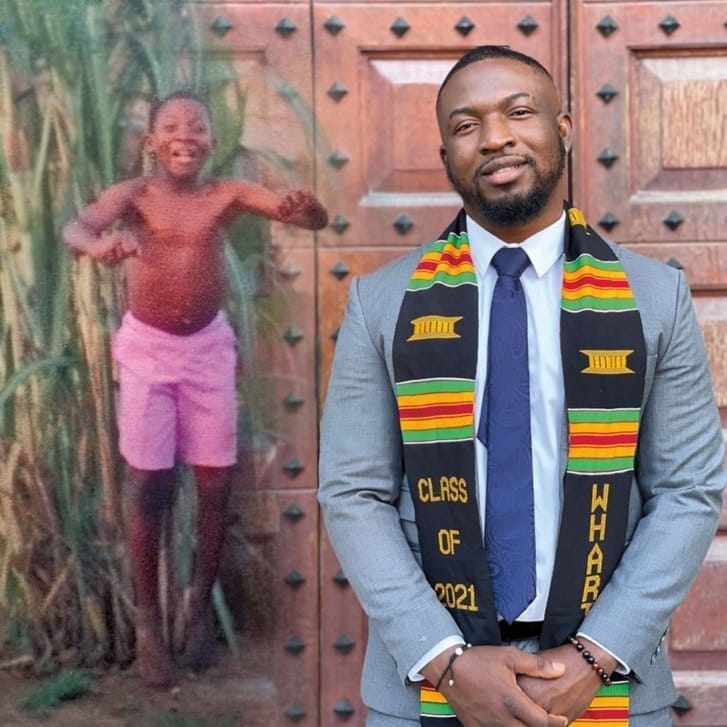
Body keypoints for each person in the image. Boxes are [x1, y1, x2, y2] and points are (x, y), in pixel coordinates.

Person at [318, 45, 725, 726]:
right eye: (465, 124)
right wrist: (445, 658)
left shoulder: (654, 298)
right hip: (428, 680)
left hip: (607, 678)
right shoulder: (382, 303)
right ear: (446, 154)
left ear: (563, 130)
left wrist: (596, 655)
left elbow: (687, 488)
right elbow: (353, 491)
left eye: (517, 111)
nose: (495, 136)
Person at [63, 89, 328, 686]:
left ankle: (199, 603)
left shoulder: (225, 194)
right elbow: (76, 226)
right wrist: (99, 244)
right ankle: (150, 625)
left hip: (207, 351)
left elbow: (303, 215)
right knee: (149, 481)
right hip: (147, 354)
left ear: (212, 141)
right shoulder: (133, 196)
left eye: (198, 126)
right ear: (152, 143)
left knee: (215, 481)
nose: (185, 135)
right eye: (172, 127)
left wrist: (302, 209)